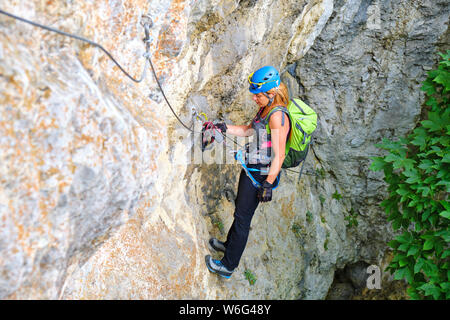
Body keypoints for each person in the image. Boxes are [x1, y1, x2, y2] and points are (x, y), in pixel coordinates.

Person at [205, 66, 291, 279]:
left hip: (260, 176)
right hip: (252, 167)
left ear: (270, 93)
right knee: (239, 214)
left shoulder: (277, 117)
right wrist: (224, 127)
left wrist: (268, 184)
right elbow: (249, 130)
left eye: (257, 95)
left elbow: (279, 155)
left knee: (243, 218)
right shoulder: (265, 109)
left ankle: (227, 266)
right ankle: (229, 246)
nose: (254, 98)